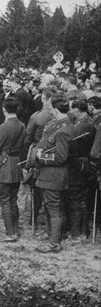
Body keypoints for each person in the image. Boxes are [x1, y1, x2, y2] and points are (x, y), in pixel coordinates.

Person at [33, 96, 74, 253]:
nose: (49, 110)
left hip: (53, 175)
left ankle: (54, 243)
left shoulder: (63, 130)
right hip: (51, 175)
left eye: (50, 107)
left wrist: (40, 157)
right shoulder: (62, 125)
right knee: (52, 207)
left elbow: (61, 157)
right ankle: (53, 237)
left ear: (56, 110)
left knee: (54, 208)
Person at [0, 97, 26, 242]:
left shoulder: (3, 127)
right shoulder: (22, 125)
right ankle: (14, 229)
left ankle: (10, 232)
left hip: (3, 164)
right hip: (16, 163)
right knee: (13, 198)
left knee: (4, 199)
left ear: (4, 110)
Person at [23, 87, 57, 233]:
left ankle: (34, 219)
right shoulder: (61, 116)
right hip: (56, 154)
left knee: (36, 188)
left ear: (44, 98)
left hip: (38, 153)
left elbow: (27, 138)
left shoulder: (37, 116)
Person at [66, 99, 96, 243]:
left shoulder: (82, 125)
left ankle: (78, 233)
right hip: (84, 164)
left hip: (79, 165)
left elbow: (73, 146)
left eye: (72, 109)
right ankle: (83, 232)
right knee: (82, 198)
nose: (70, 112)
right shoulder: (89, 122)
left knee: (76, 199)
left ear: (77, 109)